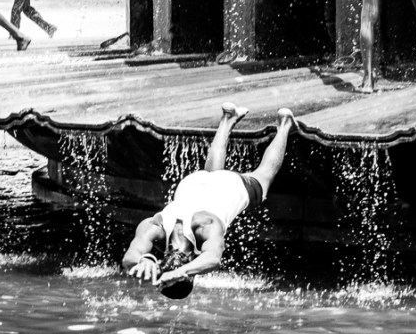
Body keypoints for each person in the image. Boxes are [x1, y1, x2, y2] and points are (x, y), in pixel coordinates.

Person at [123, 103, 295, 299]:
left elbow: (213, 259)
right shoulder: (156, 227)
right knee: (212, 172)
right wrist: (143, 260)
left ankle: (285, 124)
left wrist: (182, 271)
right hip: (193, 183)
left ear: (192, 277)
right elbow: (130, 258)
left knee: (264, 176)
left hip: (229, 186)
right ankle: (227, 118)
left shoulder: (205, 227)